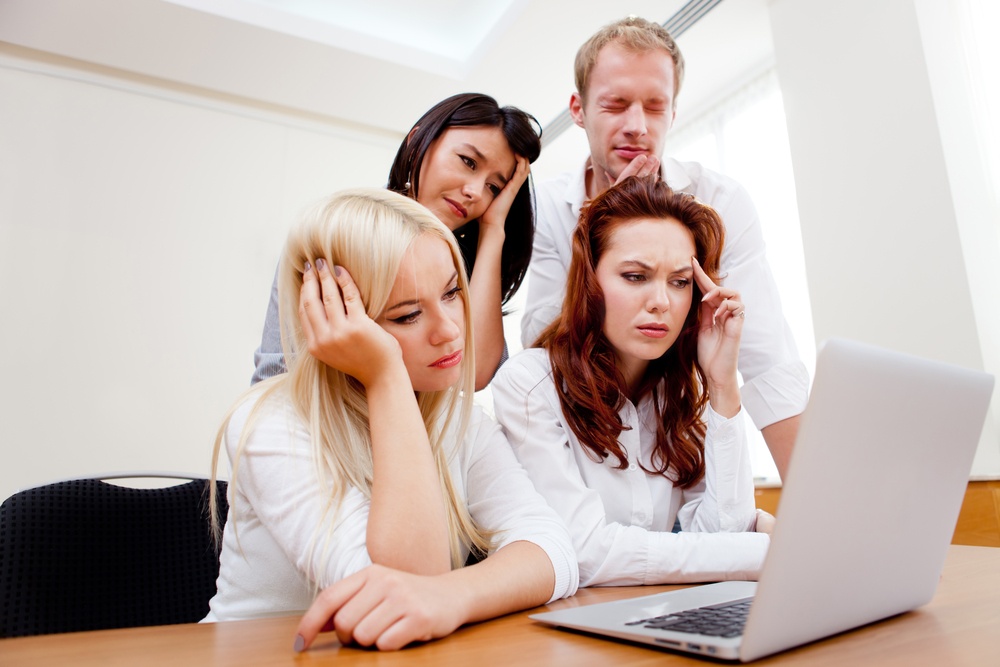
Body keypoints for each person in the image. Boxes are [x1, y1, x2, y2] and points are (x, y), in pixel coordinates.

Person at [204, 189, 578, 652]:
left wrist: (452, 597)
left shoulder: (459, 423)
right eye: (407, 315)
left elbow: (553, 551)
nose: (450, 330)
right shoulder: (269, 422)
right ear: (331, 318)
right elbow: (397, 585)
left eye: (451, 293)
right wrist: (384, 376)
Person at [520, 16, 808, 478]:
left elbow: (767, 358)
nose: (637, 126)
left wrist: (812, 502)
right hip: (576, 441)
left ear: (673, 113)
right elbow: (544, 341)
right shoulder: (547, 206)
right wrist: (605, 219)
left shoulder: (720, 201)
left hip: (678, 440)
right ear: (578, 109)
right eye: (615, 104)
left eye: (655, 107)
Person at [492, 176, 773, 588]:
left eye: (679, 282)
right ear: (590, 282)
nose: (662, 301)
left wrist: (722, 383)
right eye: (636, 276)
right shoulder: (530, 384)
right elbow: (583, 553)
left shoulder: (677, 397)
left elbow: (723, 530)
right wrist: (760, 550)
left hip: (651, 618)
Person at [252, 93, 541, 391]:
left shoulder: (468, 265)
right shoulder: (334, 236)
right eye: (468, 162)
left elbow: (475, 375)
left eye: (494, 187)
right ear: (416, 144)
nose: (475, 192)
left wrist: (494, 230)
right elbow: (275, 374)